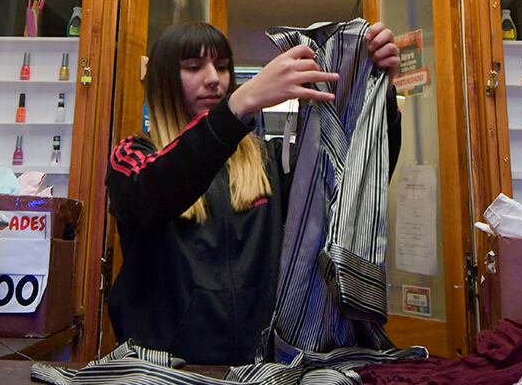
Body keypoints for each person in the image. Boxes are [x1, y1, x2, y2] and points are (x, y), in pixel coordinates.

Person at [105, 20, 402, 365]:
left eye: (221, 67)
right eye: (193, 67)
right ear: (164, 79)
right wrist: (237, 105)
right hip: (167, 371)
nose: (213, 79)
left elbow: (347, 186)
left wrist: (376, 87)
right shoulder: (132, 156)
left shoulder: (269, 161)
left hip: (260, 370)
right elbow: (151, 196)